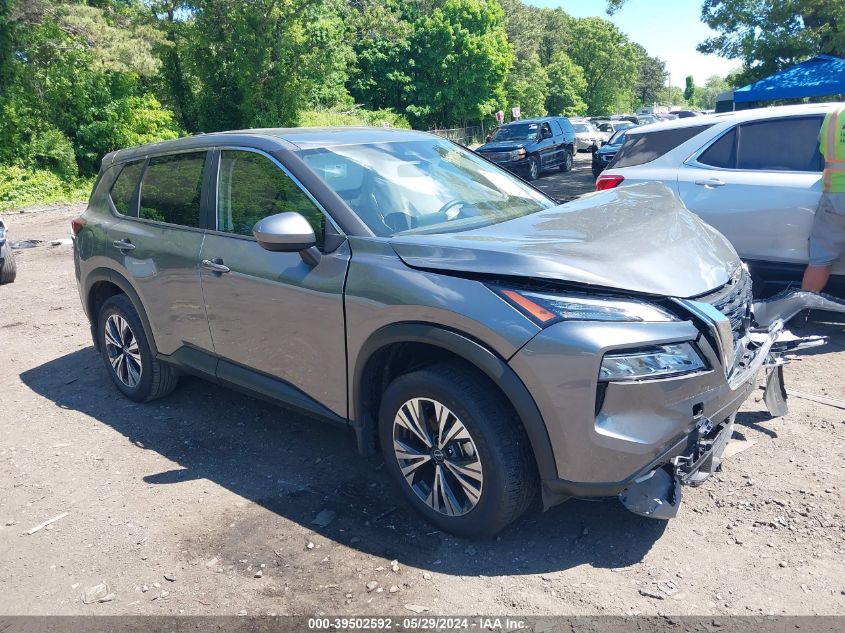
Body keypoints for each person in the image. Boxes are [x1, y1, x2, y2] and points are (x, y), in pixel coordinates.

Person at [801, 104, 845, 292]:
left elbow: (821, 147)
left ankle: (803, 312)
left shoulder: (834, 114)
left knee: (820, 260)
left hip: (834, 193)